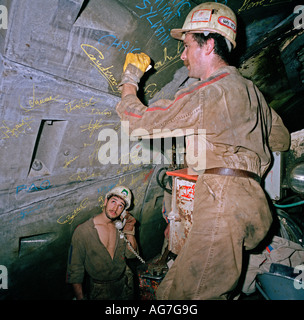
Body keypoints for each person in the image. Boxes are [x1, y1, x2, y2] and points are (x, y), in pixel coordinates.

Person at [115, 1, 290, 300]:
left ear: (208, 45)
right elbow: (281, 140)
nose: (182, 56)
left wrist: (129, 82)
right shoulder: (252, 92)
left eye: (186, 46)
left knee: (185, 297)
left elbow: (140, 124)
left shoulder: (209, 90)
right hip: (255, 208)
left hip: (223, 203)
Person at [66, 186, 138, 300]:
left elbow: (131, 254)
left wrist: (129, 230)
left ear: (123, 211)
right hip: (99, 290)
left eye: (121, 206)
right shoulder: (83, 231)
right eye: (113, 202)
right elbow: (74, 270)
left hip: (125, 285)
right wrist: (80, 297)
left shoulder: (119, 227)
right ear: (105, 201)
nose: (115, 208)